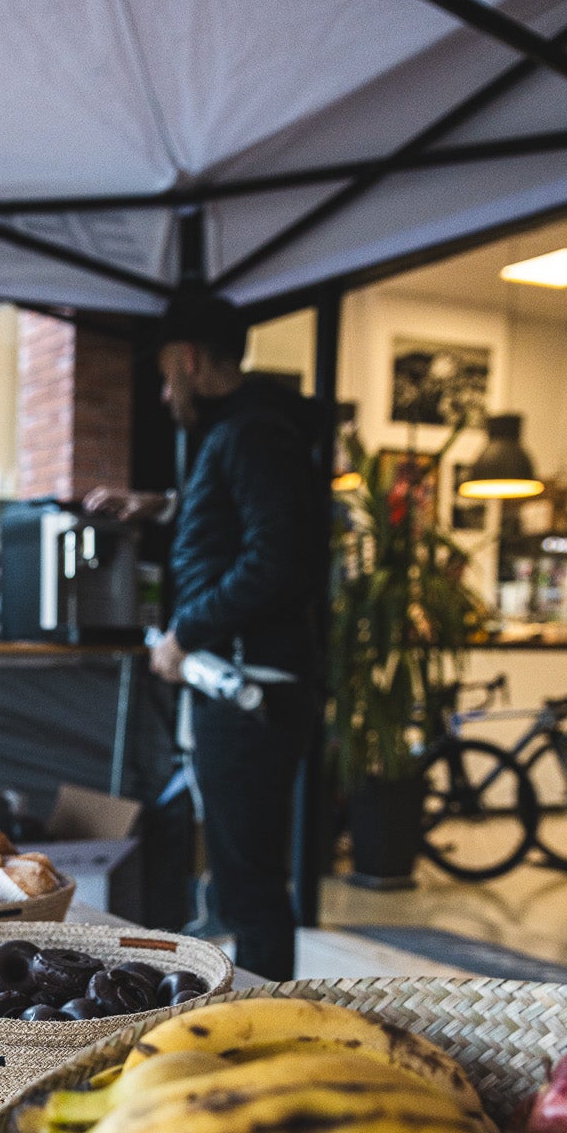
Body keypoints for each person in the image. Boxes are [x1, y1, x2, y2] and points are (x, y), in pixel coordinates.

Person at [85, 292, 324, 980]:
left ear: (189, 359)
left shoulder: (251, 431)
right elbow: (237, 516)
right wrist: (163, 506)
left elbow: (275, 560)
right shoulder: (252, 431)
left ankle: (271, 1021)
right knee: (241, 882)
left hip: (250, 693)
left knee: (250, 891)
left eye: (166, 375)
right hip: (247, 691)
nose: (165, 395)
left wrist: (184, 634)